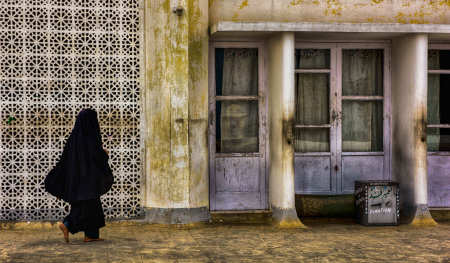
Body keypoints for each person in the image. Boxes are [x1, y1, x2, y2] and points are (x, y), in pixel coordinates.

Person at [45, 109, 114, 243]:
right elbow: (96, 157)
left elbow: (65, 160)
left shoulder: (74, 139)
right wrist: (104, 153)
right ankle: (67, 224)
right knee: (86, 208)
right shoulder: (91, 138)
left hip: (77, 182)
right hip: (88, 182)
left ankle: (91, 236)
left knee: (92, 207)